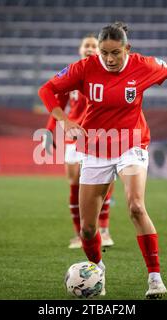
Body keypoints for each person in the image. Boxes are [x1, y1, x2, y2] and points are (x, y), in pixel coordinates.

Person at [39, 22, 167, 299]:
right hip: (95, 147)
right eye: (104, 53)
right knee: (88, 230)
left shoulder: (144, 66)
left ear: (127, 48)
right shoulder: (85, 67)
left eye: (115, 53)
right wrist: (65, 121)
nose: (109, 59)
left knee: (136, 206)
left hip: (131, 144)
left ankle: (155, 278)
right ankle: (98, 271)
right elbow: (47, 90)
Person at [44, 34, 115, 249]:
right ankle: (80, 234)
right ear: (80, 49)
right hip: (74, 136)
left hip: (100, 135)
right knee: (74, 183)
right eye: (87, 45)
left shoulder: (108, 73)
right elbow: (59, 103)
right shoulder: (73, 74)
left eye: (94, 45)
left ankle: (104, 229)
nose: (90, 48)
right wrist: (50, 130)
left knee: (103, 183)